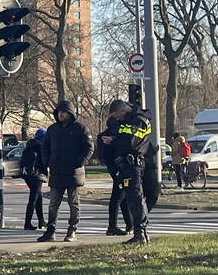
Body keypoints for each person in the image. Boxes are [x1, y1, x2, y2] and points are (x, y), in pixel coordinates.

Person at [38, 100, 93, 243]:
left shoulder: (81, 129)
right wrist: (47, 162)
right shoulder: (52, 129)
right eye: (59, 112)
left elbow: (89, 148)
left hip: (73, 173)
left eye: (63, 112)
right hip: (56, 172)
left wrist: (79, 162)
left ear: (70, 113)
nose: (60, 114)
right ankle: (50, 231)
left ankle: (72, 230)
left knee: (73, 203)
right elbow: (45, 147)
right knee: (53, 203)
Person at [103, 99, 154, 244]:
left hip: (134, 163)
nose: (117, 119)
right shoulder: (129, 119)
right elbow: (124, 138)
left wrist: (113, 141)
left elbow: (131, 142)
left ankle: (141, 233)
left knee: (136, 198)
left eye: (117, 115)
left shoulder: (138, 120)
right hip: (128, 163)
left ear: (123, 110)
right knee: (133, 199)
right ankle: (140, 232)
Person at [97, 114, 133, 237]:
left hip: (113, 169)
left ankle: (130, 224)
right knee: (118, 198)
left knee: (122, 197)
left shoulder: (102, 137)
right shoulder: (117, 136)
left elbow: (102, 156)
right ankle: (113, 226)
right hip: (122, 169)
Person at [20, 129, 47, 231]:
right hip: (37, 175)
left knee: (38, 197)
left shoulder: (30, 145)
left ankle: (41, 221)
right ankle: (27, 223)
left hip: (28, 175)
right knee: (34, 199)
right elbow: (43, 162)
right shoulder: (40, 147)